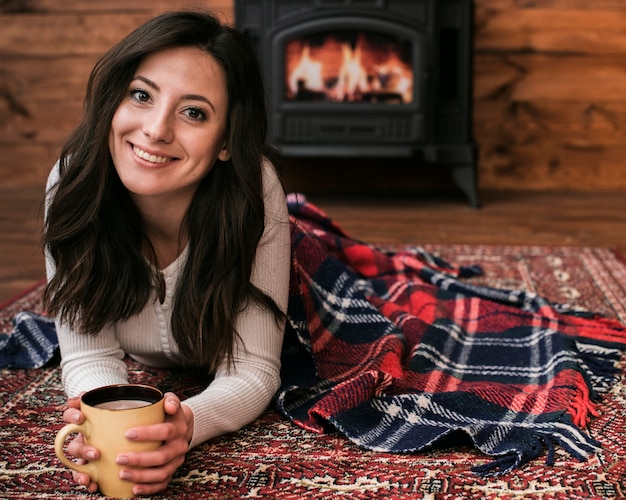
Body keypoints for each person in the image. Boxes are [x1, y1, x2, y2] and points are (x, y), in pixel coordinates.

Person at [43, 10, 291, 496]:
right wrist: (100, 422)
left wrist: (187, 426)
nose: (156, 130)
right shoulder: (72, 185)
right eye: (141, 95)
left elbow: (255, 369)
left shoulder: (254, 190)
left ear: (225, 142)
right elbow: (89, 352)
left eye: (194, 112)